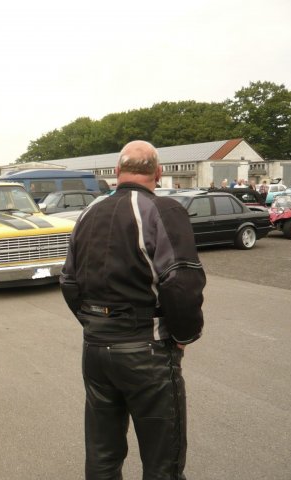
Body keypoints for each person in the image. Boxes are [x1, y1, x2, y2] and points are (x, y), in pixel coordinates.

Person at [60, 140, 206, 480]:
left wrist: (96, 322)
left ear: (116, 172)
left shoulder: (88, 213)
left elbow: (68, 281)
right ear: (159, 173)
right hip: (146, 352)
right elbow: (180, 282)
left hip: (96, 350)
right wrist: (184, 335)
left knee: (102, 456)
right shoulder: (164, 210)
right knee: (163, 463)